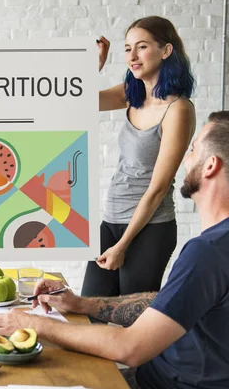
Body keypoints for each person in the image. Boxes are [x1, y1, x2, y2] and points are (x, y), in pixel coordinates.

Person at [0, 112, 229, 389]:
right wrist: (82, 305)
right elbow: (164, 307)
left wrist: (31, 322)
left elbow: (129, 347)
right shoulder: (216, 246)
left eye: (193, 149)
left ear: (211, 165)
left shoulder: (208, 252)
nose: (186, 158)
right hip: (160, 388)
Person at [82, 16, 196, 297]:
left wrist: (123, 245)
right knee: (89, 310)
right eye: (127, 48)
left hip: (151, 228)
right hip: (112, 219)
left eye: (141, 47)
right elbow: (79, 100)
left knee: (130, 320)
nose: (131, 56)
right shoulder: (132, 94)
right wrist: (94, 65)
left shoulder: (178, 110)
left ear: (165, 50)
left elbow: (157, 189)